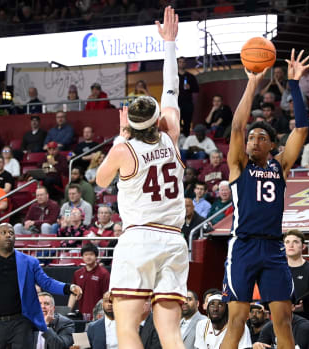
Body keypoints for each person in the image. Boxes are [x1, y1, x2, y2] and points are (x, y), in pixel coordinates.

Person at [95, 7, 188, 349]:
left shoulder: (123, 149)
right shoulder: (171, 132)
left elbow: (100, 181)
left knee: (126, 328)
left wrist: (121, 135)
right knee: (170, 333)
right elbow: (172, 91)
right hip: (174, 240)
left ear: (129, 123)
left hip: (140, 239)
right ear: (155, 119)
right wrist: (169, 44)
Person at [220, 49, 309, 349]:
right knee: (237, 319)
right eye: (251, 137)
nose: (253, 140)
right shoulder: (238, 165)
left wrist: (295, 84)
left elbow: (301, 129)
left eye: (261, 137)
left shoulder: (280, 165)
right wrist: (253, 82)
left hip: (273, 246)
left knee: (283, 321)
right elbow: (236, 126)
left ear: (272, 144)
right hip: (243, 245)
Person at [283, 230, 309, 323]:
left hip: (307, 322)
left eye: (295, 242)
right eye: (287, 242)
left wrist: (304, 307)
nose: (291, 245)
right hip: (282, 321)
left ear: (303, 246)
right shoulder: (278, 270)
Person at [68, 243, 110, 321]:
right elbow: (73, 294)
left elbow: (106, 295)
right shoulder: (77, 273)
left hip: (98, 316)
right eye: (86, 255)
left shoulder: (104, 273)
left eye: (91, 254)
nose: (88, 257)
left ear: (96, 256)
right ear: (82, 257)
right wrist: (68, 310)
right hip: (82, 315)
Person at [178, 57, 199, 137]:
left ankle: (186, 140)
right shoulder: (173, 76)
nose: (181, 63)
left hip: (188, 103)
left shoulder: (190, 76)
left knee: (187, 123)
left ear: (186, 63)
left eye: (183, 62)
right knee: (176, 123)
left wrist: (190, 87)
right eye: (180, 62)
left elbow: (197, 89)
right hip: (177, 103)